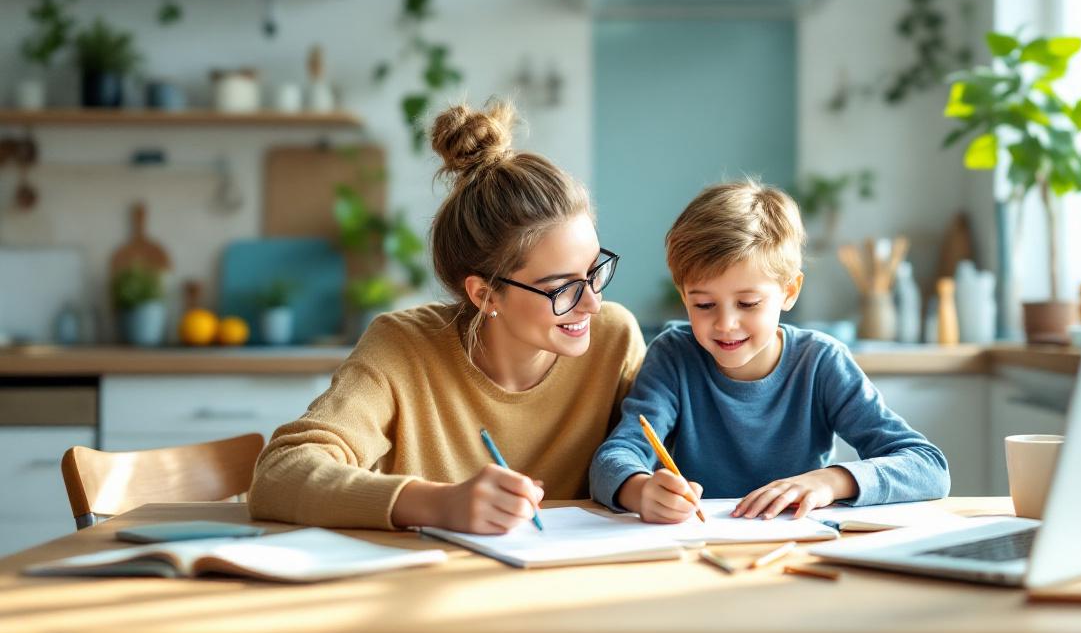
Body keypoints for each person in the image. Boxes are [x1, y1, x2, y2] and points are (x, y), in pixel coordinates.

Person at [250, 98, 644, 538]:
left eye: (594, 271)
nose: (591, 302)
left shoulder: (615, 339)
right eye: (562, 287)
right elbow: (280, 474)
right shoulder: (402, 347)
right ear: (485, 293)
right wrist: (437, 502)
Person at [590, 178, 949, 527]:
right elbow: (613, 458)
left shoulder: (821, 362)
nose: (725, 323)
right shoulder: (673, 356)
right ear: (684, 296)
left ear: (789, 291)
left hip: (798, 548)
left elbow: (928, 466)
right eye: (703, 305)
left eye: (748, 303)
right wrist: (640, 491)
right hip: (700, 547)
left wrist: (829, 482)